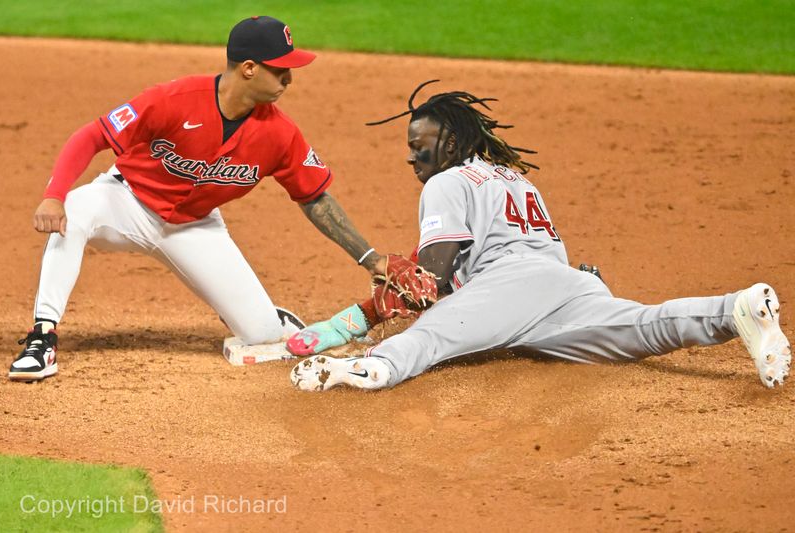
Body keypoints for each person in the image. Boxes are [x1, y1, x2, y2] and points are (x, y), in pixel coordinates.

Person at [289, 81, 791, 391]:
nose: (411, 157)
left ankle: (363, 371)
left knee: (431, 337)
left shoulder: (446, 181)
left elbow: (432, 282)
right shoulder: (514, 178)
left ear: (452, 142)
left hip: (510, 288)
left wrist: (374, 309)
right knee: (645, 328)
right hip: (566, 285)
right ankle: (736, 309)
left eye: (420, 146)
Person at [8, 16, 389, 382]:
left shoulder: (281, 134)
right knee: (73, 211)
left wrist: (370, 259)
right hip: (124, 202)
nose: (289, 78)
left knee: (262, 335)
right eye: (280, 69)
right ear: (250, 68)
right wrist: (53, 196)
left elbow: (315, 197)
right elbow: (92, 137)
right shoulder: (173, 99)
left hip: (195, 227)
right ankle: (43, 336)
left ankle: (263, 312)